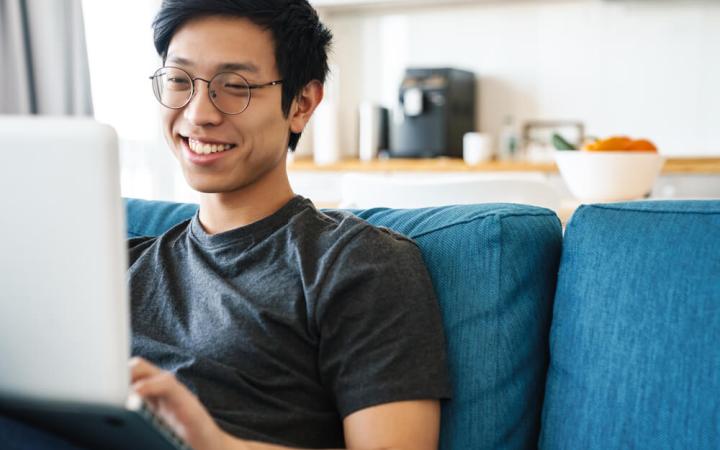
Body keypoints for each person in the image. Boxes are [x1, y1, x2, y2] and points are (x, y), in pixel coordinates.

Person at [1, 1, 451, 449]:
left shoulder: (360, 262)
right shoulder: (113, 269)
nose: (199, 114)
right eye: (179, 81)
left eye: (234, 86)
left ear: (302, 103)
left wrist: (211, 442)